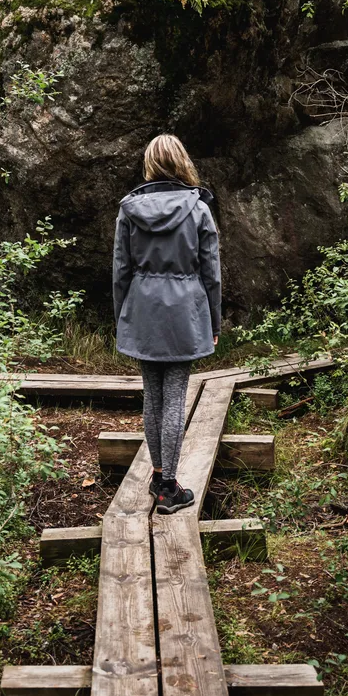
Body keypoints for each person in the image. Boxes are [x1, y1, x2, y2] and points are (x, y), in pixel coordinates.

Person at [112, 133, 221, 515]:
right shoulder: (198, 209)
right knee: (174, 396)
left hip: (142, 311)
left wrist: (121, 319)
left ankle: (159, 476)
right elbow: (211, 273)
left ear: (149, 163)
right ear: (181, 161)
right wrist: (214, 321)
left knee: (152, 395)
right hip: (184, 312)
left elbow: (121, 272)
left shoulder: (129, 210)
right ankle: (168, 489)